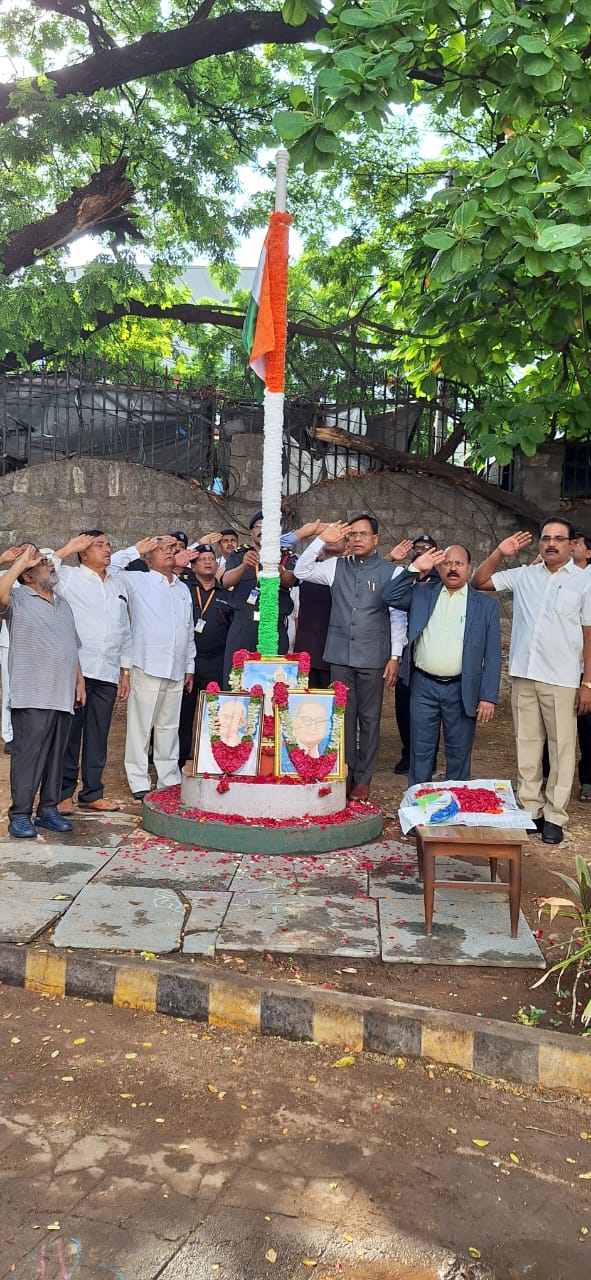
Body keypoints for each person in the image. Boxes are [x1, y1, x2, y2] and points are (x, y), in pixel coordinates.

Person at [472, 518, 591, 844]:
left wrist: (587, 683)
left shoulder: (584, 581)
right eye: (546, 538)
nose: (551, 543)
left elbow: (588, 635)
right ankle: (531, 809)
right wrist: (500, 552)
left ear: (571, 544)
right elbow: (479, 581)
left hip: (562, 678)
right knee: (526, 744)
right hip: (525, 674)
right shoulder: (524, 575)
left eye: (559, 539)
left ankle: (555, 816)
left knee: (561, 748)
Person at [294, 514, 407, 801]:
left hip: (373, 656)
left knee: (369, 719)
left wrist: (395, 655)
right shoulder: (335, 566)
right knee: (341, 717)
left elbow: (397, 617)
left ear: (376, 539)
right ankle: (344, 772)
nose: (357, 539)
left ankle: (363, 779)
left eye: (363, 534)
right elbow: (301, 570)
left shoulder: (392, 572)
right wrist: (320, 539)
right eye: (352, 534)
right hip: (339, 655)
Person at [384, 545, 501, 785]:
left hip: (462, 689)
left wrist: (488, 697)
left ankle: (455, 804)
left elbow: (492, 656)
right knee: (420, 752)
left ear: (469, 568)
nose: (453, 568)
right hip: (423, 686)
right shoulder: (422, 593)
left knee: (458, 754)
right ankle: (419, 802)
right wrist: (415, 568)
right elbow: (390, 595)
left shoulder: (485, 606)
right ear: (439, 567)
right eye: (447, 563)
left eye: (459, 563)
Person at [0, 543, 85, 838]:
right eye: (42, 563)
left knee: (56, 756)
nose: (50, 565)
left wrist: (79, 680)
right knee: (29, 756)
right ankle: (20, 814)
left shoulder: (63, 604)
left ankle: (48, 810)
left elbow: (71, 645)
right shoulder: (17, 598)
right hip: (32, 693)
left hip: (63, 693)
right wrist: (20, 562)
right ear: (27, 575)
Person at [49, 531, 131, 814]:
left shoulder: (116, 583)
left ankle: (92, 792)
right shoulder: (69, 577)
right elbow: (43, 569)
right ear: (83, 552)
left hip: (107, 671)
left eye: (108, 544)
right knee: (70, 734)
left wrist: (125, 670)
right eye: (99, 545)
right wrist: (68, 547)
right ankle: (63, 794)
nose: (107, 549)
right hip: (77, 671)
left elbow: (124, 629)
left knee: (98, 735)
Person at [110, 536, 195, 799]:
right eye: (161, 550)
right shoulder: (137, 580)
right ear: (148, 559)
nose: (168, 552)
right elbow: (110, 568)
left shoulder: (182, 588)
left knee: (169, 727)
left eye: (170, 549)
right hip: (147, 663)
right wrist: (136, 549)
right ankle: (138, 780)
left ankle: (169, 778)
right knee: (141, 726)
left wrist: (189, 664)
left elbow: (188, 628)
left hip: (176, 667)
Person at [221, 512, 295, 685]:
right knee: (236, 678)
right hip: (244, 625)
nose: (263, 531)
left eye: (268, 527)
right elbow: (226, 581)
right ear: (251, 532)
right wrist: (243, 566)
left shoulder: (285, 555)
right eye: (259, 527)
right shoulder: (240, 554)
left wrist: (280, 570)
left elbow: (291, 580)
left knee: (274, 680)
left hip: (274, 625)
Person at [177, 543, 232, 768]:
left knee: (214, 712)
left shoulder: (225, 594)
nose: (208, 562)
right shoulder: (183, 589)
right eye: (202, 559)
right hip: (187, 662)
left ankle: (211, 759)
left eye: (211, 559)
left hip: (216, 662)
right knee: (184, 714)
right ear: (193, 566)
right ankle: (180, 761)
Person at [388, 533, 440, 774]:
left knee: (430, 711)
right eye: (417, 548)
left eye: (426, 547)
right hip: (407, 650)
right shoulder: (406, 576)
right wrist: (396, 654)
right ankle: (408, 753)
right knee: (403, 705)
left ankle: (429, 758)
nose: (420, 551)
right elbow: (393, 605)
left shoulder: (441, 579)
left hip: (432, 650)